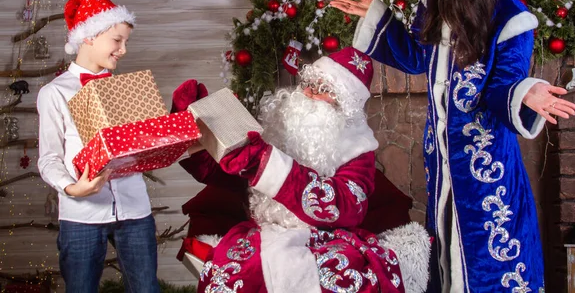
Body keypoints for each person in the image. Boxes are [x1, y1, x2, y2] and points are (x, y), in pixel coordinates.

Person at [330, 0, 575, 292]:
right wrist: (378, 18)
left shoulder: (512, 20)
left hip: (486, 167)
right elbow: (416, 57)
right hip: (442, 161)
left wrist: (527, 92)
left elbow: (500, 88)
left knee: (487, 257)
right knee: (444, 252)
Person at [175, 47, 431, 293]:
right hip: (263, 232)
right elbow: (227, 172)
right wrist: (191, 128)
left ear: (344, 106)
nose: (308, 93)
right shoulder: (280, 126)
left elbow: (345, 205)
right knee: (241, 270)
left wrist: (263, 161)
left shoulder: (357, 148)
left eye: (322, 90)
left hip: (327, 240)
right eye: (308, 83)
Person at [37, 0, 200, 292]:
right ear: (88, 37)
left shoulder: (127, 89)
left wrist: (184, 140)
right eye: (117, 40)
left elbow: (142, 146)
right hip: (81, 213)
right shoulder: (54, 93)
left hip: (134, 210)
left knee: (146, 289)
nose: (123, 49)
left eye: (126, 41)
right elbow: (48, 159)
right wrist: (73, 187)